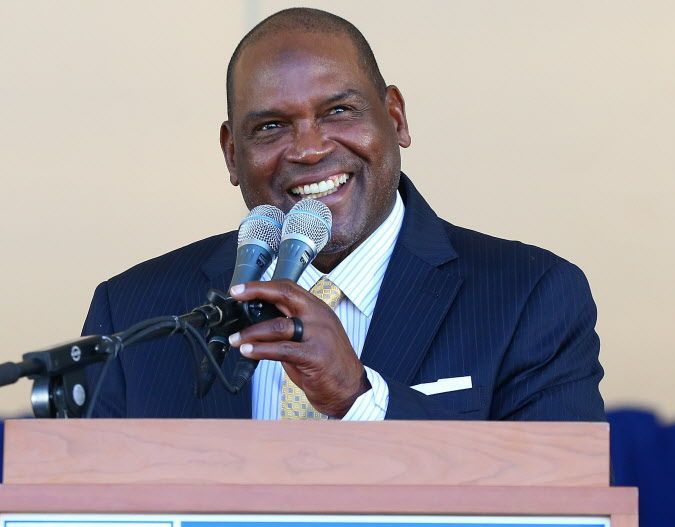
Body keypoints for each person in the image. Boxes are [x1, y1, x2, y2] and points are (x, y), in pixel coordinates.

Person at [82, 7, 604, 421]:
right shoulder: (132, 312)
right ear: (231, 154)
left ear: (395, 118)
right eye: (270, 127)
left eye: (338, 111)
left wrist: (358, 398)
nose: (308, 150)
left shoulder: (529, 296)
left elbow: (558, 514)